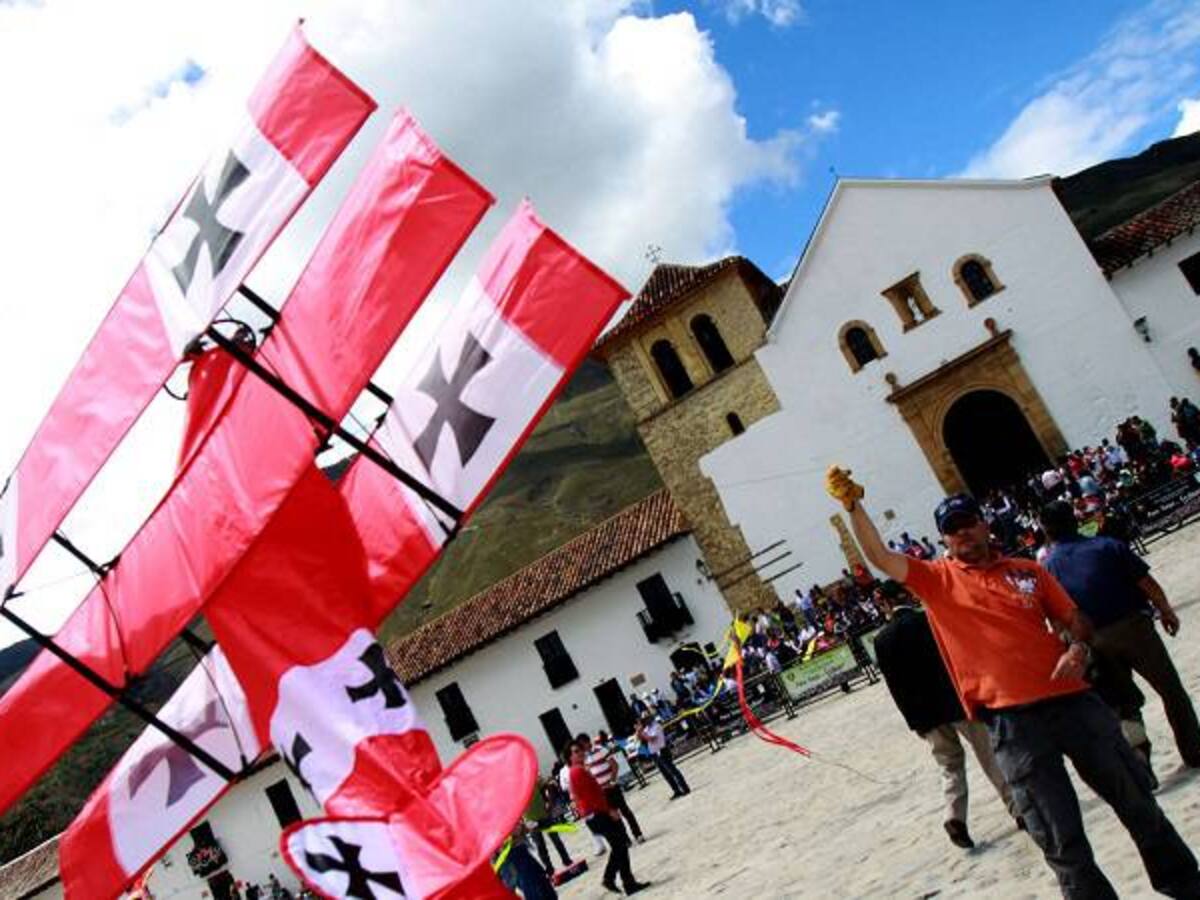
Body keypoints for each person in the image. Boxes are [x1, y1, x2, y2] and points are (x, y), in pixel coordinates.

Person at [825, 467, 1200, 899]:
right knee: (1059, 835)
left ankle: (1183, 883)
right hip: (1013, 724)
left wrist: (1078, 648)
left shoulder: (1029, 570)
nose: (962, 533)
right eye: (952, 529)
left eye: (967, 523)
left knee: (1137, 801)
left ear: (983, 523)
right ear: (944, 539)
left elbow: (1074, 619)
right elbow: (878, 555)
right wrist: (853, 507)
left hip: (1074, 702)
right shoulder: (936, 580)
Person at [1039, 500, 1200, 769]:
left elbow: (1055, 617)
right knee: (1170, 690)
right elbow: (1146, 582)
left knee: (1121, 703)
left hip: (1092, 638)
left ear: (1046, 531)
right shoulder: (1106, 546)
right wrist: (1166, 610)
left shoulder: (1048, 568)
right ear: (1076, 520)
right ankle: (1193, 750)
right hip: (1133, 627)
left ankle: (1139, 760)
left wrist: (1068, 646)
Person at [873, 603, 1018, 849]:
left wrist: (914, 722)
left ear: (886, 605)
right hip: (957, 702)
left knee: (949, 766)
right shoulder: (932, 618)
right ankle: (1018, 808)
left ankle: (954, 816)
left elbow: (896, 688)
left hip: (926, 715)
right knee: (989, 754)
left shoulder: (882, 640)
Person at [566, 740, 650, 895]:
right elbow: (590, 797)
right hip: (597, 814)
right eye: (576, 751)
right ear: (570, 756)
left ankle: (624, 881)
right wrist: (609, 810)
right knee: (619, 845)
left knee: (620, 845)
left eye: (581, 749)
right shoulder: (577, 771)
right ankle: (612, 879)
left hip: (597, 812)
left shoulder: (579, 770)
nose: (582, 753)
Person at [578, 732, 644, 843]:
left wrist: (613, 781)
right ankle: (625, 839)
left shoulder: (601, 750)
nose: (581, 748)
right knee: (614, 816)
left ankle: (638, 834)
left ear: (587, 742)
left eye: (582, 744)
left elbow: (614, 765)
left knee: (625, 811)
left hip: (612, 787)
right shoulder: (584, 759)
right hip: (601, 793)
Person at [636, 713, 691, 798]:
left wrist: (642, 733)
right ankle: (676, 790)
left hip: (662, 751)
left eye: (646, 719)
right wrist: (638, 731)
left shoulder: (656, 726)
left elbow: (651, 738)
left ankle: (684, 788)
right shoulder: (647, 729)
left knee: (672, 771)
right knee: (666, 774)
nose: (645, 722)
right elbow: (639, 738)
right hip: (654, 753)